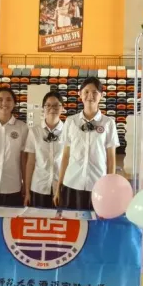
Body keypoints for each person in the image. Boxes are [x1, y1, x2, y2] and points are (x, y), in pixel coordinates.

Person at [54, 77, 120, 210]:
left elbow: (111, 159)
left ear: (101, 95)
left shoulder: (108, 123)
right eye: (86, 92)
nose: (90, 96)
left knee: (95, 220)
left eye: (95, 92)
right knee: (72, 220)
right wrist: (59, 185)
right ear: (80, 94)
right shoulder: (71, 121)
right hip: (71, 183)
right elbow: (65, 156)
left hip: (97, 184)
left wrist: (109, 186)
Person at [23, 91, 65, 208]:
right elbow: (30, 163)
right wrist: (27, 191)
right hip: (39, 186)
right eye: (48, 105)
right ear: (43, 108)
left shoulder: (68, 130)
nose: (52, 108)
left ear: (62, 108)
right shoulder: (34, 131)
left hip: (61, 187)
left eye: (56, 105)